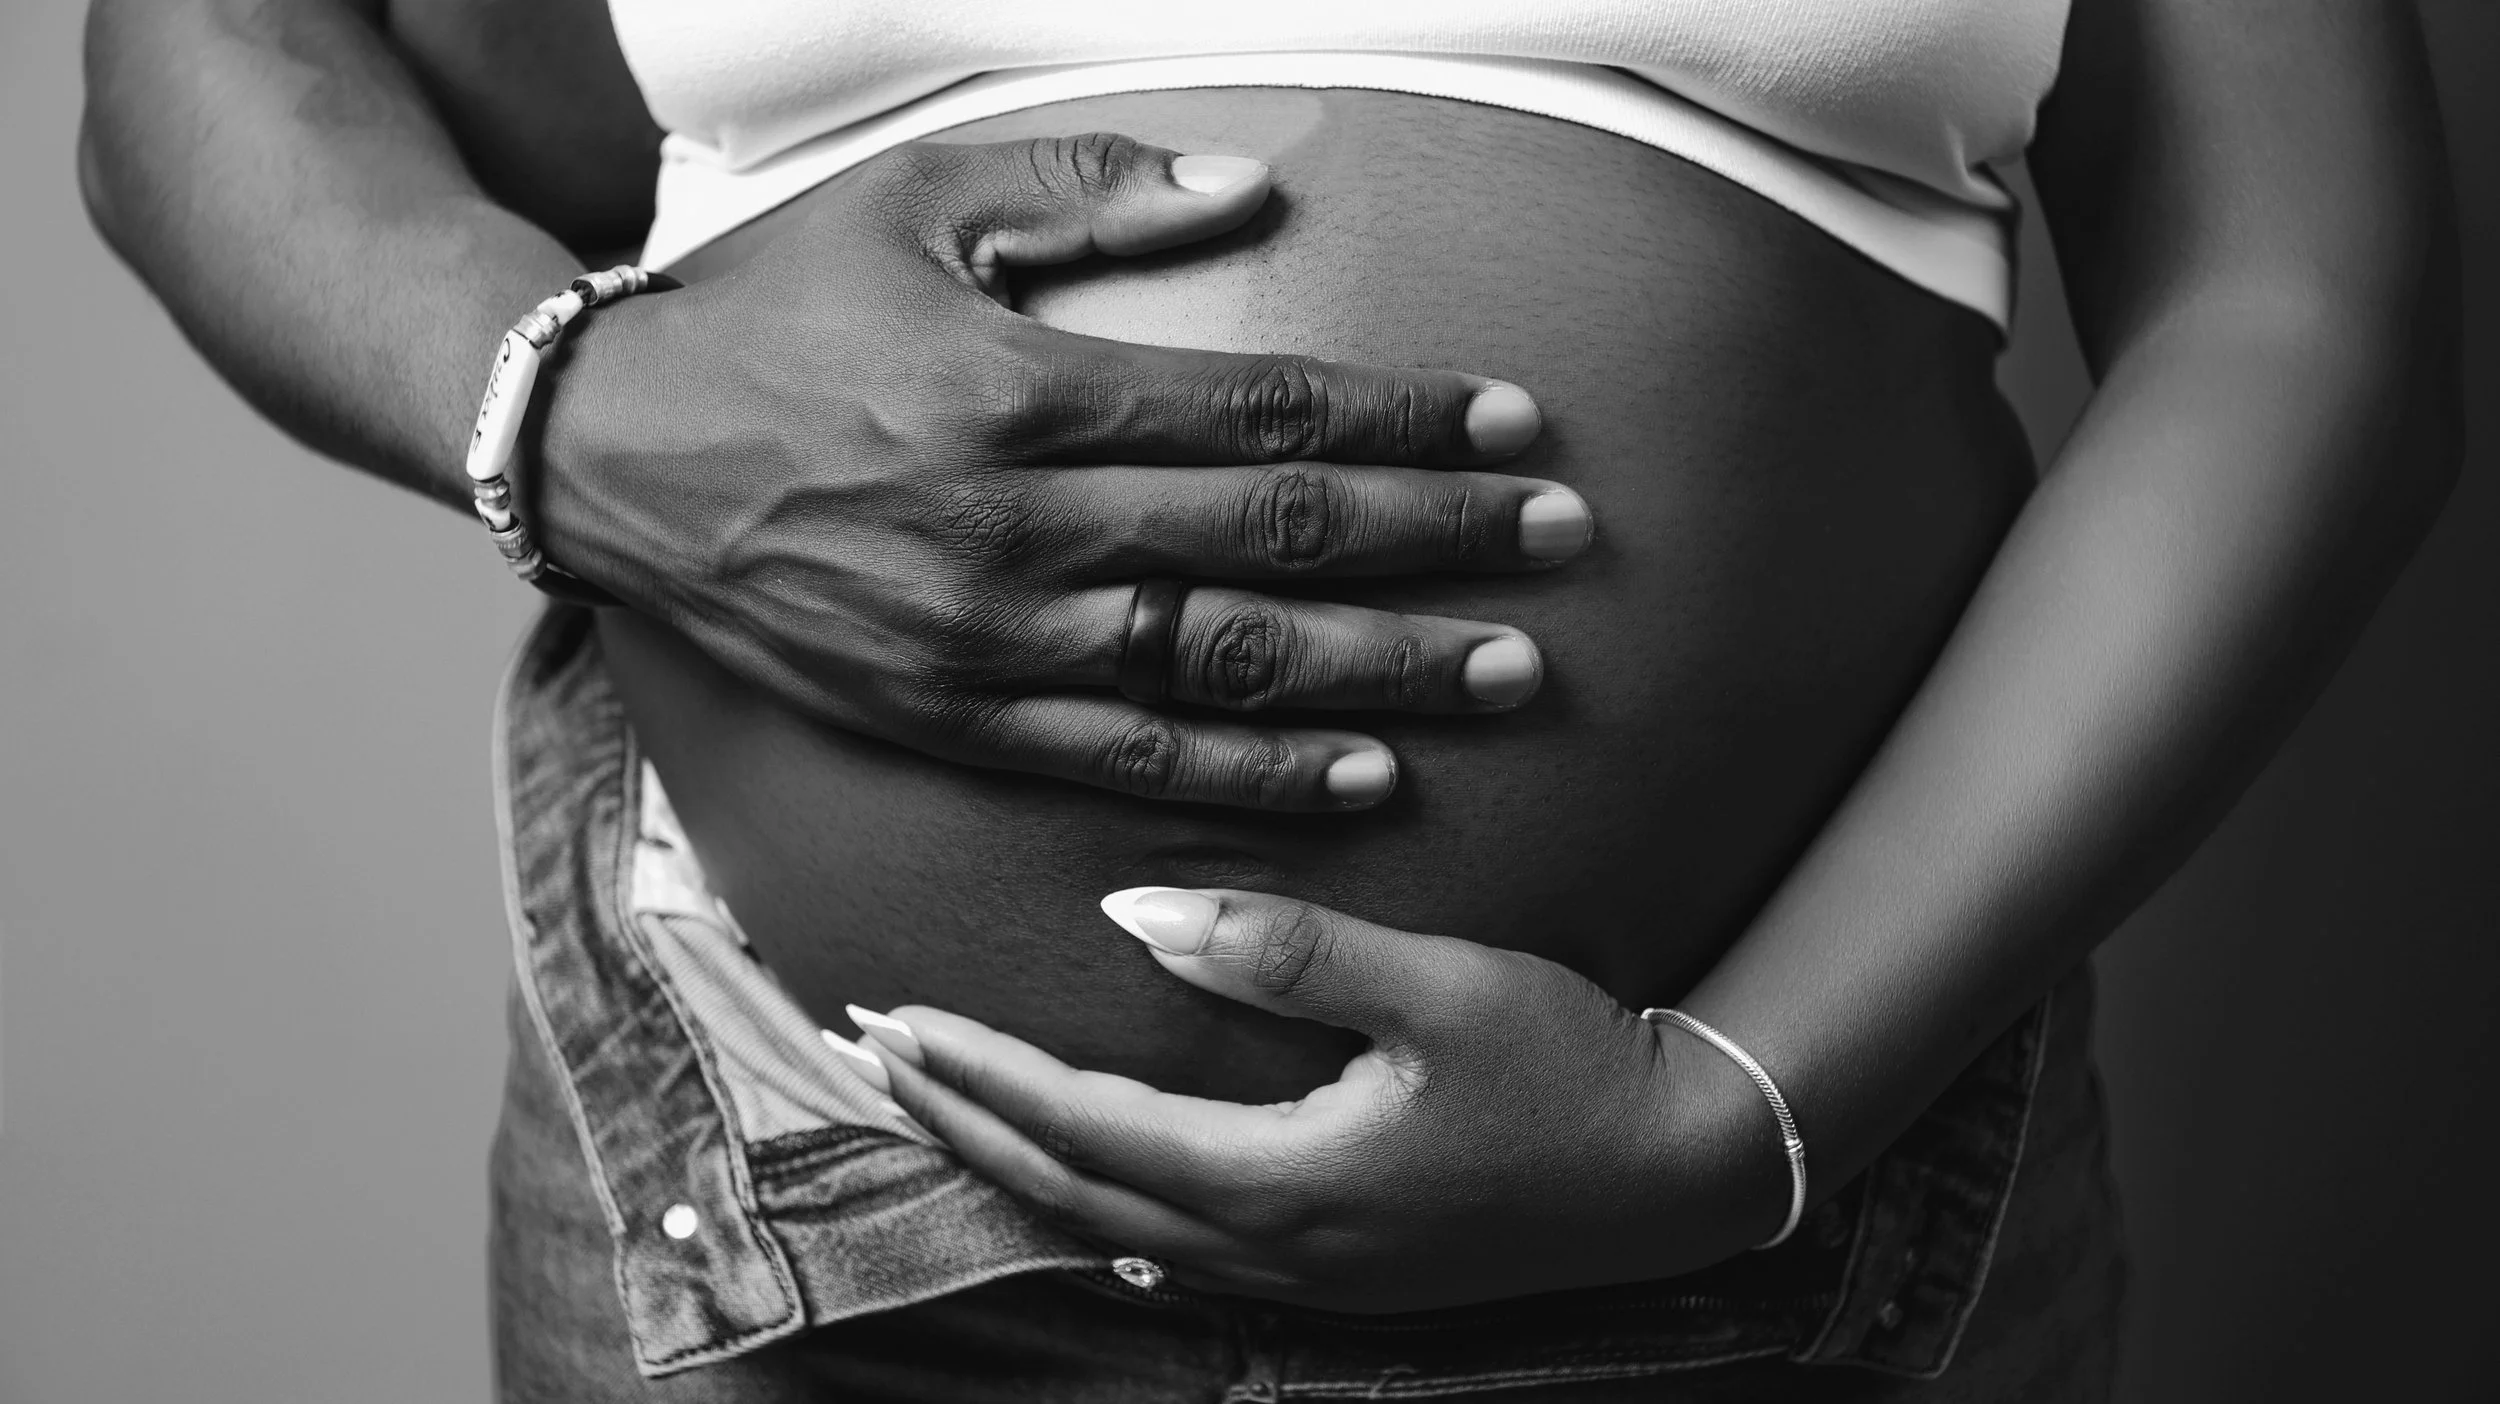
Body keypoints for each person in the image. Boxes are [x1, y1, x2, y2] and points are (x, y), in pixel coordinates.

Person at [79, 1, 2459, 1399]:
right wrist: (572, 416)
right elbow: (205, 47)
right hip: (788, 1146)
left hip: (1789, 1193)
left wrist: (1733, 1115)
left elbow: (2297, 287)